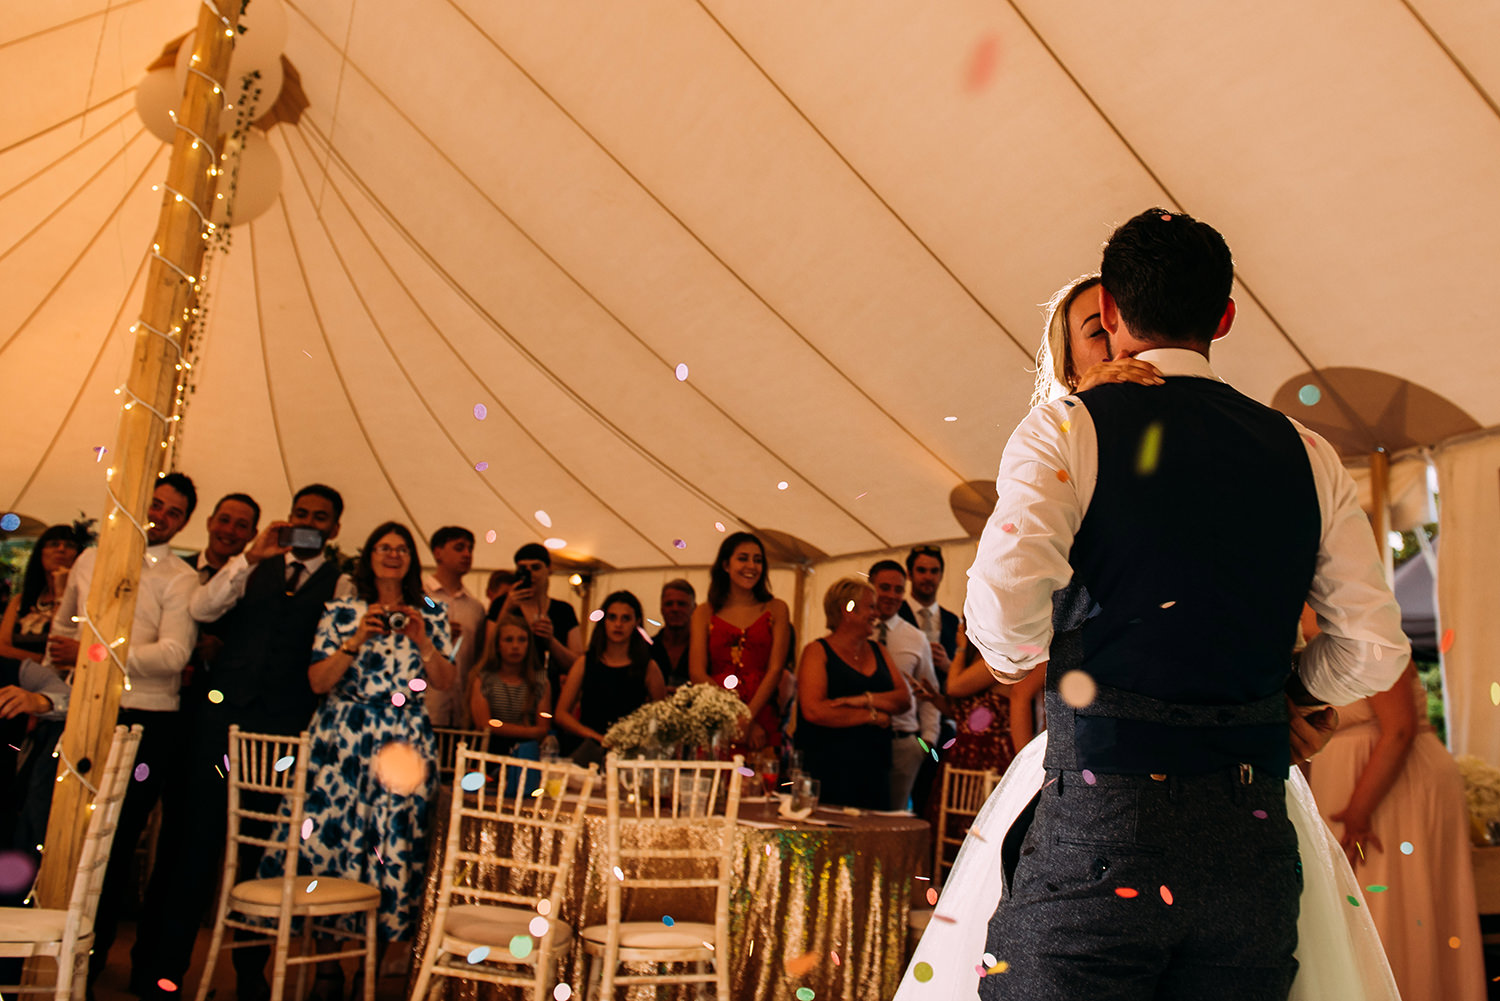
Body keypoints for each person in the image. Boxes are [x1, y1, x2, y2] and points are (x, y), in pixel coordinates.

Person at [962, 209, 1408, 1000]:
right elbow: (1373, 648)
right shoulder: (1305, 451)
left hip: (1099, 829)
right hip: (1250, 839)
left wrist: (1050, 661)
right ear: (1225, 317)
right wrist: (1287, 695)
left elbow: (1004, 625)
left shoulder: (1066, 427)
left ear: (1113, 316)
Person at [131, 483, 347, 1001]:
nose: (309, 523)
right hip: (220, 724)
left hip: (287, 730)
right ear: (287, 516)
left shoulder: (341, 586)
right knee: (198, 845)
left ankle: (251, 974)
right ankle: (164, 972)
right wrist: (249, 559)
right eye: (301, 513)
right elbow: (204, 610)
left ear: (335, 528)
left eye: (320, 517)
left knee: (264, 855)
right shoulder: (254, 564)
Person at [263, 521, 456, 972]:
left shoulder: (429, 609)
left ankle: (370, 966)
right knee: (330, 841)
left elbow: (446, 683)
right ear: (369, 556)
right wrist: (357, 640)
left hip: (404, 741)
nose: (392, 555)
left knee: (393, 843)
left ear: (412, 558)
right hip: (342, 740)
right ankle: (328, 963)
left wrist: (422, 639)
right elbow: (316, 681)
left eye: (401, 548)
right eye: (383, 547)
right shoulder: (341, 609)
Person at [44, 472, 200, 987]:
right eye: (155, 503)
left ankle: (91, 960)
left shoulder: (180, 577)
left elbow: (175, 655)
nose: (160, 515)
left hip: (147, 721)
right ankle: (52, 951)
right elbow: (63, 628)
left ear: (183, 523)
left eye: (173, 512)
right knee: (63, 834)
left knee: (111, 844)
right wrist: (67, 654)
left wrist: (98, 654)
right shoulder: (91, 559)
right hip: (83, 711)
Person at [1308, 656, 1486, 1001]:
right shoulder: (1304, 649)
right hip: (1352, 787)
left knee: (1389, 903)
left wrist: (1359, 810)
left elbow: (1400, 729)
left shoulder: (1368, 635)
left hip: (1392, 791)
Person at [794, 577, 912, 810]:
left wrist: (864, 700)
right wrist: (873, 716)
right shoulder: (817, 651)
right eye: (870, 606)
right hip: (828, 767)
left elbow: (903, 700)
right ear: (847, 609)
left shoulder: (879, 651)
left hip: (874, 769)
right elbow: (814, 710)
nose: (876, 613)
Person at [0, 524, 82, 846]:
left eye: (68, 545)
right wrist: (35, 662)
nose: (61, 550)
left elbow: (63, 645)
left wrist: (37, 692)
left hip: (52, 695)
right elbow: (3, 646)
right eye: (53, 544)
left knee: (35, 786)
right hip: (22, 679)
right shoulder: (23, 600)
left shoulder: (75, 601)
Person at [688, 532, 790, 751]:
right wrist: (737, 717)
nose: (751, 566)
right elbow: (697, 673)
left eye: (758, 560)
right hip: (717, 713)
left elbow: (776, 669)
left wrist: (749, 717)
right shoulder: (704, 612)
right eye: (743, 558)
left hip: (762, 710)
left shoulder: (776, 609)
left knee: (759, 781)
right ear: (725, 565)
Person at [553, 590, 665, 763]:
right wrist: (595, 737)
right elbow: (561, 714)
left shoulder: (648, 667)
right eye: (612, 617)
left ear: (637, 622)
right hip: (586, 749)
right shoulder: (585, 663)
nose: (618, 624)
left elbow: (661, 718)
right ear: (604, 621)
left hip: (629, 753)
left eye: (625, 618)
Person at [868, 560, 941, 810]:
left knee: (895, 819)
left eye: (898, 589)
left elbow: (930, 695)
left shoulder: (916, 637)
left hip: (903, 744)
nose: (891, 595)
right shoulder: (858, 632)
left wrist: (926, 743)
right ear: (870, 587)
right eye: (884, 587)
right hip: (861, 737)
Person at [423, 526, 485, 727]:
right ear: (438, 552)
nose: (467, 554)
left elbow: (478, 659)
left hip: (460, 710)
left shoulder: (476, 608)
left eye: (470, 549)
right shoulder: (419, 596)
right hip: (423, 705)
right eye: (459, 548)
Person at [468, 610, 552, 759]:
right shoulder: (483, 679)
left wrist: (500, 727)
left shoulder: (541, 681)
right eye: (508, 640)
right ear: (497, 645)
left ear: (529, 644)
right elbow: (484, 725)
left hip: (527, 753)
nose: (515, 646)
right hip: (490, 752)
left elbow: (543, 729)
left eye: (522, 640)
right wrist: (529, 731)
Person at [649, 578, 696, 689]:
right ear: (661, 609)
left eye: (682, 604)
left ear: (694, 608)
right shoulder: (646, 648)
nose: (675, 609)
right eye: (669, 604)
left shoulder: (705, 651)